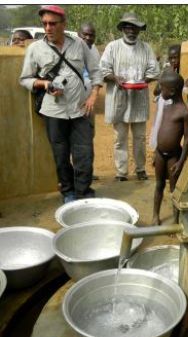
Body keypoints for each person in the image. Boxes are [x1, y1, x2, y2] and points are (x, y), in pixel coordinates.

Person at [19, 5, 103, 203]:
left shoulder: (79, 44)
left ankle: (84, 193)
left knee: (84, 154)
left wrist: (93, 95)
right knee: (61, 156)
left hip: (81, 109)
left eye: (53, 24)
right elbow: (24, 79)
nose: (48, 28)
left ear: (63, 25)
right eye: (45, 23)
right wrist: (45, 83)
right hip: (53, 112)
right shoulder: (35, 49)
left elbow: (95, 71)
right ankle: (69, 193)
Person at [100, 12, 160, 182]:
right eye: (128, 27)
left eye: (135, 28)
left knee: (140, 137)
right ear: (123, 29)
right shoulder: (113, 47)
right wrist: (115, 78)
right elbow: (103, 70)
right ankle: (121, 172)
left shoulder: (146, 48)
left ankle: (140, 169)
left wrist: (142, 81)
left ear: (139, 30)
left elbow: (154, 70)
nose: (131, 30)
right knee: (120, 138)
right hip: (119, 99)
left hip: (139, 99)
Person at [152, 71, 188, 225]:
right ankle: (155, 215)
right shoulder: (166, 107)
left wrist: (181, 162)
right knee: (159, 184)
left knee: (174, 190)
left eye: (163, 88)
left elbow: (187, 139)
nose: (161, 91)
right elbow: (160, 130)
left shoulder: (184, 112)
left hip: (174, 157)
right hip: (160, 154)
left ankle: (175, 220)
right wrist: (156, 152)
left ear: (173, 91)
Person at [78, 22, 101, 181]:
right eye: (84, 34)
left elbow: (96, 77)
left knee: (88, 139)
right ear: (78, 35)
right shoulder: (70, 50)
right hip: (72, 103)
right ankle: (74, 175)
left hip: (89, 104)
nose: (87, 37)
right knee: (72, 141)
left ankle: (87, 173)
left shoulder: (95, 52)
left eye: (91, 35)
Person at [150, 44, 182, 152]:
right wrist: (164, 81)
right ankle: (158, 150)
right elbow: (155, 91)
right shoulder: (166, 71)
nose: (173, 61)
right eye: (171, 58)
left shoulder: (186, 71)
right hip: (164, 105)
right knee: (160, 125)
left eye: (176, 57)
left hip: (178, 107)